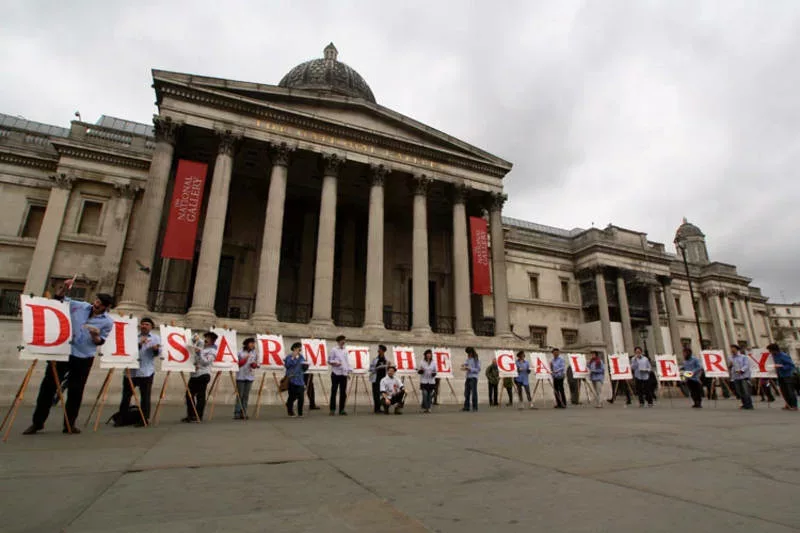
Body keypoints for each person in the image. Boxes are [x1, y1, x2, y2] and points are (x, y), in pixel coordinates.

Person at [24, 281, 114, 435]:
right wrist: (64, 288)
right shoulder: (79, 306)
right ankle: (37, 423)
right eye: (96, 300)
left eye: (100, 303)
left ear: (106, 307)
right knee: (48, 387)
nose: (96, 304)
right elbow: (58, 301)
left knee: (76, 391)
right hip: (64, 352)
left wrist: (95, 336)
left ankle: (69, 424)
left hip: (84, 357)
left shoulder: (107, 321)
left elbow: (101, 341)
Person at [117, 317, 160, 426]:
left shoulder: (155, 338)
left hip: (146, 371)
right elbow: (127, 349)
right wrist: (139, 344)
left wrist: (155, 349)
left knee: (145, 396)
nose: (144, 326)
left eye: (147, 324)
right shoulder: (133, 337)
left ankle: (144, 418)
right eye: (143, 324)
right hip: (130, 371)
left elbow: (158, 353)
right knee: (126, 396)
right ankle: (122, 418)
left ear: (151, 327)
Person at [183, 331, 216, 422]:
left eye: (208, 339)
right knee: (189, 394)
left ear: (212, 342)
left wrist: (199, 353)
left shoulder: (212, 351)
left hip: (204, 374)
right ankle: (191, 414)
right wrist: (195, 337)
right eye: (205, 338)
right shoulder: (200, 345)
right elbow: (191, 341)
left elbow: (206, 362)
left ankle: (198, 415)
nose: (206, 340)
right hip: (194, 374)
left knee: (200, 395)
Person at [234, 337, 259, 420]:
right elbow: (237, 364)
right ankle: (237, 412)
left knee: (246, 396)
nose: (252, 345)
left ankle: (243, 412)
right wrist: (245, 359)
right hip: (240, 376)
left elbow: (254, 363)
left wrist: (255, 365)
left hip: (249, 376)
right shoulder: (240, 352)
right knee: (239, 395)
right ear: (247, 344)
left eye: (253, 343)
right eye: (251, 343)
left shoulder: (254, 353)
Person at [768, 343, 798, 411]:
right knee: (784, 391)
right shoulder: (773, 357)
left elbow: (791, 365)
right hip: (780, 375)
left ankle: (794, 405)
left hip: (787, 375)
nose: (770, 352)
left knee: (790, 391)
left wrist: (782, 366)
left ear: (775, 350)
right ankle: (788, 404)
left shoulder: (783, 356)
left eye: (770, 351)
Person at [328, 334, 350, 416]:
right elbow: (329, 360)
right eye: (342, 340)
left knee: (343, 392)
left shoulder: (345, 350)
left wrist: (348, 372)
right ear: (338, 341)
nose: (343, 342)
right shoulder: (334, 350)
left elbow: (347, 362)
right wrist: (335, 363)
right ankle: (332, 409)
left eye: (344, 340)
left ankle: (342, 409)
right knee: (334, 391)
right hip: (335, 373)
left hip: (343, 374)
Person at [284, 342, 306, 417]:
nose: (299, 350)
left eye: (300, 348)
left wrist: (306, 366)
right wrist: (293, 358)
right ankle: (290, 409)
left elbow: (304, 367)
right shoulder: (289, 357)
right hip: (292, 379)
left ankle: (300, 412)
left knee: (301, 397)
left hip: (300, 379)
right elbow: (287, 365)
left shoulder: (301, 357)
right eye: (297, 348)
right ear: (294, 348)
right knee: (292, 396)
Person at [729, 344, 753, 410]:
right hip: (736, 376)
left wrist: (742, 370)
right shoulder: (730, 358)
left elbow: (746, 365)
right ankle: (744, 403)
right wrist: (730, 366)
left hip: (743, 376)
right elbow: (731, 367)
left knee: (745, 390)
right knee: (739, 391)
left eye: (733, 349)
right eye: (731, 349)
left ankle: (749, 404)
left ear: (737, 349)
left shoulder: (743, 357)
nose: (732, 350)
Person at [369, 345, 389, 413]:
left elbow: (388, 369)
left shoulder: (385, 360)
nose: (378, 351)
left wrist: (388, 366)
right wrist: (375, 369)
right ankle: (376, 408)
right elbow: (370, 368)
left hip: (383, 379)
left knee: (382, 393)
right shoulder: (375, 359)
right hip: (375, 378)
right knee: (376, 394)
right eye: (378, 349)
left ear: (383, 351)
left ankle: (381, 407)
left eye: (379, 349)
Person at [462, 347, 480, 412]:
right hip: (468, 377)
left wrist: (470, 369)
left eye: (469, 353)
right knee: (466, 393)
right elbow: (466, 365)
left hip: (473, 377)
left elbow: (478, 369)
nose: (468, 355)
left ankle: (475, 407)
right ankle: (466, 406)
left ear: (472, 353)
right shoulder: (468, 359)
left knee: (474, 393)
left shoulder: (476, 360)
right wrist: (464, 366)